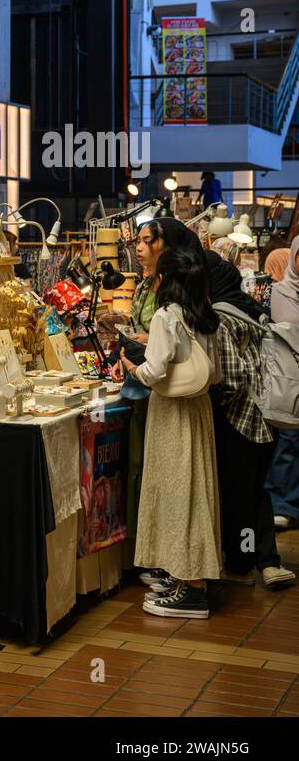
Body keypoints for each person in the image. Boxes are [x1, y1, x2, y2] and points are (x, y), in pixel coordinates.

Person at [120, 247, 222, 618]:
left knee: (177, 493)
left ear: (164, 280)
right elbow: (212, 369)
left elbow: (154, 373)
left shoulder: (166, 316)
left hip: (172, 412)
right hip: (198, 410)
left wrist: (132, 366)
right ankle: (188, 575)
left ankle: (192, 589)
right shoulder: (205, 314)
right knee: (196, 491)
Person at [204, 251, 295, 590]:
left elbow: (231, 379)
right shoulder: (253, 309)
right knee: (259, 491)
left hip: (238, 420)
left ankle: (242, 562)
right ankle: (268, 560)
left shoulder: (219, 316)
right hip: (268, 416)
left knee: (240, 496)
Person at [265, 240, 299, 530]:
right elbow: (289, 326)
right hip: (290, 375)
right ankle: (282, 503)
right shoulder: (281, 290)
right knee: (289, 437)